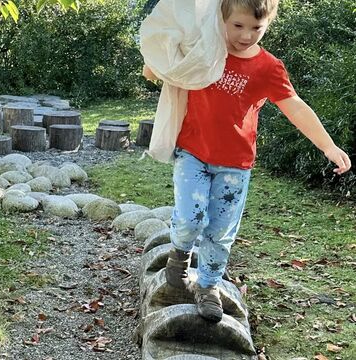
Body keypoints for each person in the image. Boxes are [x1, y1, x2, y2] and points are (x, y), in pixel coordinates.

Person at [143, 0, 352, 323]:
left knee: (221, 230)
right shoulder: (204, 50)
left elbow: (294, 106)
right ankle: (179, 256)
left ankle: (208, 286)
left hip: (235, 164)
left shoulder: (268, 67)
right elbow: (158, 66)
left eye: (257, 28)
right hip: (193, 153)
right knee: (190, 218)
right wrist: (157, 63)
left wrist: (328, 146)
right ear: (221, 18)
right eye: (238, 26)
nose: (246, 35)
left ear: (268, 23)